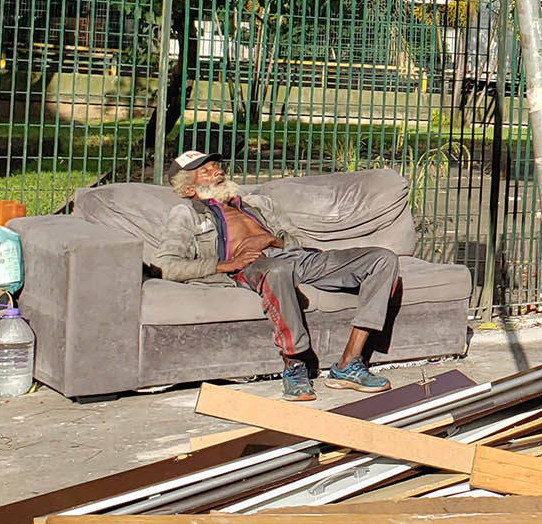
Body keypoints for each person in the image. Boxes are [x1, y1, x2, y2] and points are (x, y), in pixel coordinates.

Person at [150, 150, 399, 400]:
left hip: (295, 258)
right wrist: (225, 264)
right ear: (188, 190)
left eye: (217, 167)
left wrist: (273, 240)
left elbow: (298, 241)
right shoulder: (187, 214)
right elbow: (165, 265)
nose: (217, 172)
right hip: (251, 268)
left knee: (382, 259)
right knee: (276, 270)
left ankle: (349, 363)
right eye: (205, 171)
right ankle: (295, 365)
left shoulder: (258, 205)